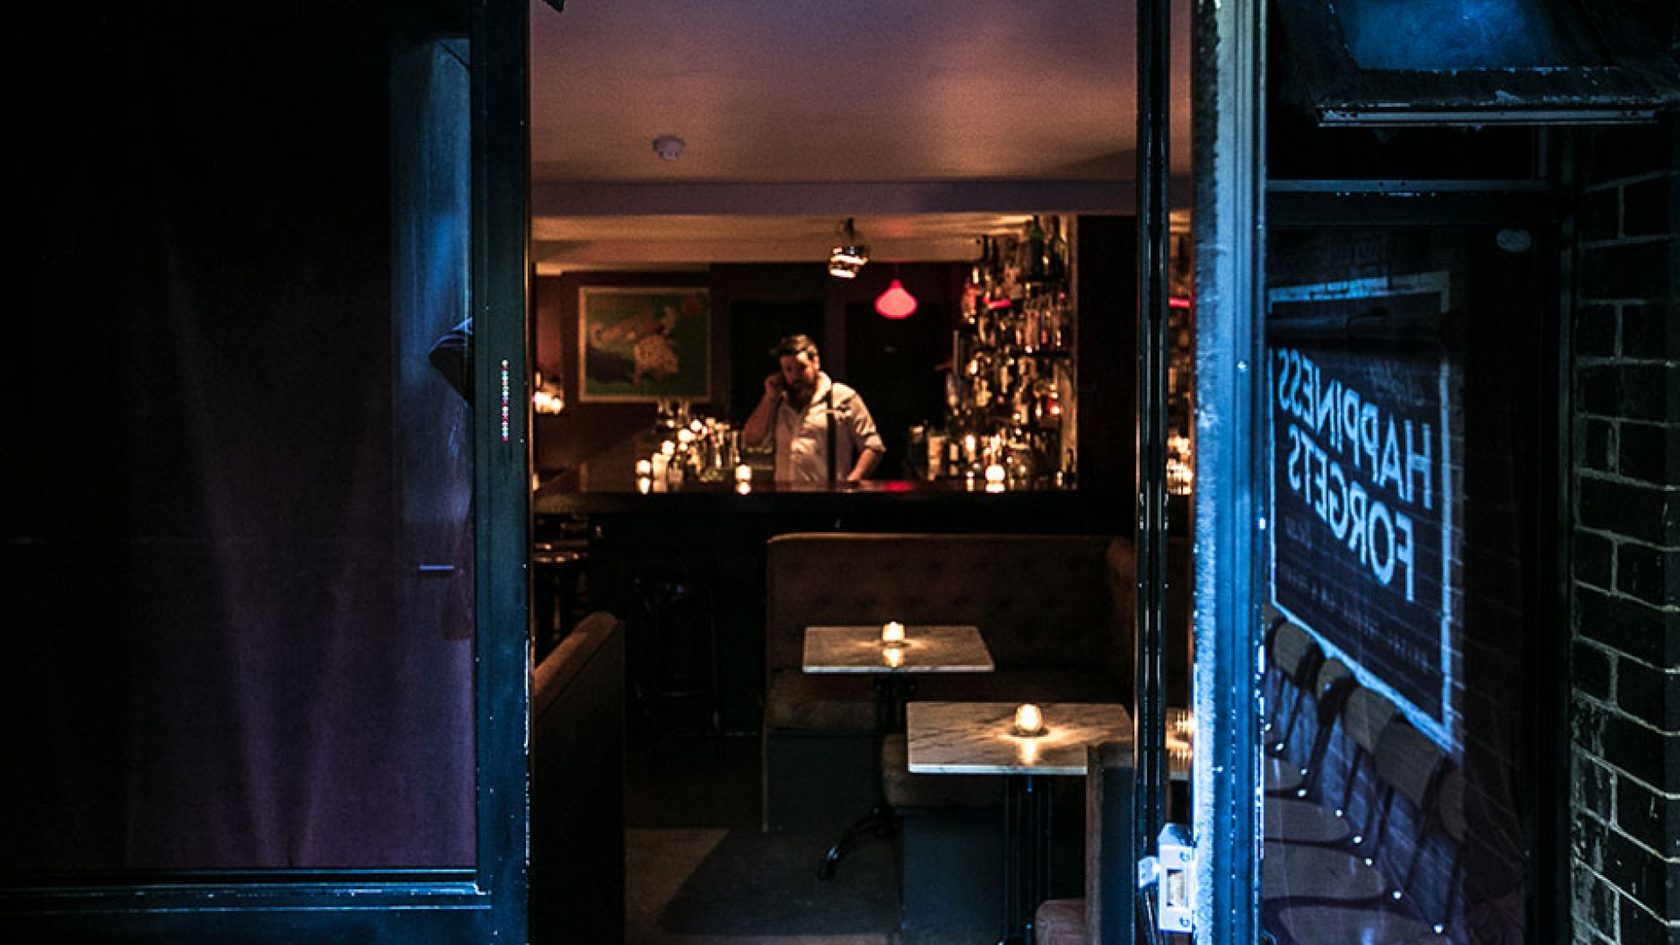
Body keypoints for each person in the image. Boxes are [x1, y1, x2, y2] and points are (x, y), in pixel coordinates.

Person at [742, 334, 884, 484]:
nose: (795, 376)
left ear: (815, 362)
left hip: (827, 494)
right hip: (785, 495)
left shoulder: (842, 397)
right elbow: (751, 440)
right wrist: (768, 398)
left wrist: (851, 482)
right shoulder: (778, 403)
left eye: (801, 368)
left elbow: (873, 446)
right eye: (788, 369)